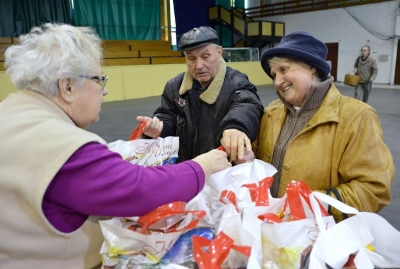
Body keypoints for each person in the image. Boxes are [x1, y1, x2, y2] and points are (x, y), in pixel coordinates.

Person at [0, 23, 232, 268]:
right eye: (99, 79)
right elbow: (139, 188)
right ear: (67, 87)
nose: (105, 90)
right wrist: (202, 166)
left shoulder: (10, 112)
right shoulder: (63, 144)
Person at [253, 31, 394, 222]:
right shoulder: (271, 112)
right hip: (271, 229)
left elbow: (374, 188)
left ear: (311, 67)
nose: (277, 81)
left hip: (320, 239)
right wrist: (247, 158)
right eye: (274, 75)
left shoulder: (357, 117)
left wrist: (316, 203)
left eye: (284, 69)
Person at [136, 26, 264, 163]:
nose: (199, 65)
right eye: (191, 59)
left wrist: (236, 126)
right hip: (188, 172)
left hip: (221, 174)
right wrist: (158, 127)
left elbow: (247, 104)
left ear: (219, 52)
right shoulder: (174, 87)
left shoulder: (237, 83)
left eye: (205, 56)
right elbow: (167, 117)